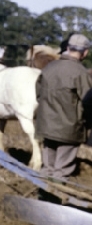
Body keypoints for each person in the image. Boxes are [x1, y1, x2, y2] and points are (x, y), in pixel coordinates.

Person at [35, 33, 92, 179]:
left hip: (46, 127)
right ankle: (55, 198)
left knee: (47, 166)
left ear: (67, 48)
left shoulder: (48, 68)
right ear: (85, 52)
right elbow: (88, 102)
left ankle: (43, 197)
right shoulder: (80, 73)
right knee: (62, 169)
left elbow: (38, 94)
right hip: (69, 130)